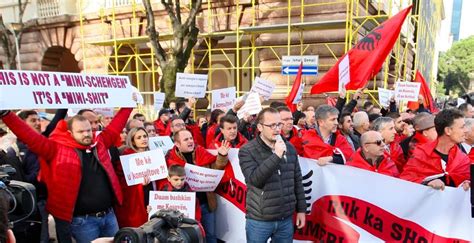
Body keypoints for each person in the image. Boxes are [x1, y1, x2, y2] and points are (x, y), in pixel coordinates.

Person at [0, 106, 132, 243]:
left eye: (89, 130)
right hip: (83, 222)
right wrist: (6, 114)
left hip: (109, 216)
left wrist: (129, 105)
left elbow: (116, 126)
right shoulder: (55, 149)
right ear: (70, 132)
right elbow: (29, 136)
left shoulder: (100, 143)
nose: (87, 134)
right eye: (81, 131)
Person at [239, 107, 306, 243]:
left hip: (285, 219)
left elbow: (297, 180)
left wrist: (301, 210)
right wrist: (276, 156)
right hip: (259, 220)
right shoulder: (247, 150)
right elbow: (255, 180)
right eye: (272, 125)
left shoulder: (290, 148)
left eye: (279, 124)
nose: (277, 129)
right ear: (260, 127)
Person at [166, 129, 229, 243]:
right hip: (185, 209)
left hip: (206, 203)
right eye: (186, 139)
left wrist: (222, 156)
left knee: (210, 236)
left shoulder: (201, 152)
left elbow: (216, 170)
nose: (190, 141)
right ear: (177, 144)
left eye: (191, 138)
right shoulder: (170, 160)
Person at [400, 109, 470, 191]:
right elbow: (405, 182)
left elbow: (466, 178)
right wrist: (426, 183)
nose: (466, 130)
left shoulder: (462, 157)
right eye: (462, 127)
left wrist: (466, 183)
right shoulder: (421, 154)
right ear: (448, 131)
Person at [114, 127, 151, 228]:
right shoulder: (127, 157)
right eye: (139, 137)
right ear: (133, 142)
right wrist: (139, 185)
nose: (143, 139)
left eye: (145, 136)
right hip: (135, 202)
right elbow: (122, 183)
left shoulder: (154, 155)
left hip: (151, 196)